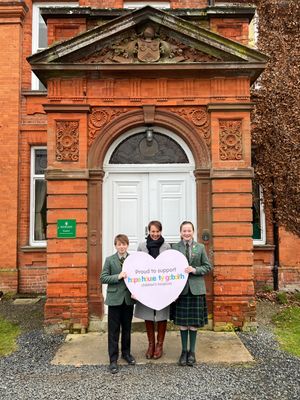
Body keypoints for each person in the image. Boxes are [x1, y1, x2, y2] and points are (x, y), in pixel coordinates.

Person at [171, 221, 212, 367]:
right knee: (183, 323)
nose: (187, 233)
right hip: (181, 290)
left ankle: (192, 352)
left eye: (189, 231)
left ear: (193, 232)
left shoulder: (200, 247)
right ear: (180, 232)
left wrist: (195, 270)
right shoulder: (174, 248)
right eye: (184, 231)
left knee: (193, 324)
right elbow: (170, 269)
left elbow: (207, 267)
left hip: (196, 289)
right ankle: (183, 352)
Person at [134, 220, 171, 359]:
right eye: (152, 231)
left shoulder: (167, 247)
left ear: (161, 231)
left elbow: (170, 267)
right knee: (148, 315)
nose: (155, 234)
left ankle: (160, 345)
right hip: (146, 287)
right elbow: (136, 267)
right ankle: (151, 345)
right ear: (148, 231)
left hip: (162, 288)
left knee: (161, 315)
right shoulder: (142, 246)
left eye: (157, 231)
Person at [100, 234, 136, 374]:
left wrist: (136, 291)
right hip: (114, 300)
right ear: (115, 246)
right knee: (114, 331)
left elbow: (138, 277)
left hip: (128, 299)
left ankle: (126, 354)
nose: (122, 247)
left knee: (127, 329)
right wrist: (118, 276)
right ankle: (113, 359)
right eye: (119, 244)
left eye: (124, 244)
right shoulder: (110, 260)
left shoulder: (133, 260)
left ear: (127, 245)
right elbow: (103, 278)